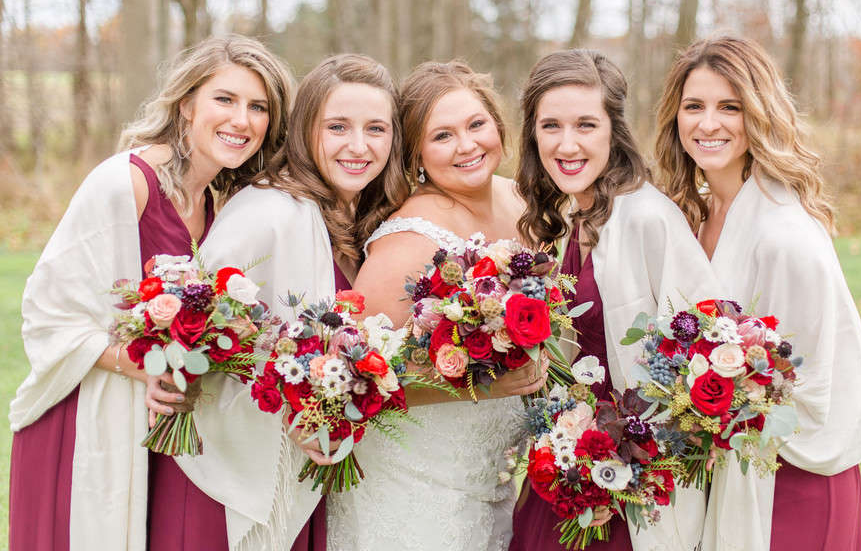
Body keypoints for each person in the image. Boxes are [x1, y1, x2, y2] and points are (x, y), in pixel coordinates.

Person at [8, 34, 294, 551]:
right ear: (187, 104)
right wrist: (141, 364)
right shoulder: (125, 183)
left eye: (259, 108)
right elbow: (47, 315)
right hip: (83, 426)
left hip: (152, 432)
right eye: (224, 99)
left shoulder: (215, 203)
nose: (242, 120)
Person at [653, 35, 861, 551]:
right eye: (694, 106)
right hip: (730, 470)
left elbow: (811, 383)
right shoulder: (693, 216)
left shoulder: (785, 236)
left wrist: (711, 413)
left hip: (795, 481)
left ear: (758, 115)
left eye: (729, 107)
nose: (707, 124)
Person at [166, 53, 407, 551]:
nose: (358, 146)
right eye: (337, 126)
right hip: (233, 485)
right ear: (303, 131)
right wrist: (290, 408)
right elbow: (197, 334)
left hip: (304, 471)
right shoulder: (269, 211)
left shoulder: (357, 216)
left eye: (376, 129)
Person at [326, 60, 549, 551]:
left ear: (497, 124)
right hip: (415, 484)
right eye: (442, 136)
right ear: (418, 155)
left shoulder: (521, 202)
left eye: (476, 124)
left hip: (491, 476)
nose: (467, 146)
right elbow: (354, 379)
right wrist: (481, 383)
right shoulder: (409, 238)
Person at [511, 49, 719, 551]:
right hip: (570, 469)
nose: (567, 143)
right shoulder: (575, 219)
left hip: (630, 485)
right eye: (550, 126)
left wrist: (636, 460)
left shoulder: (647, 217)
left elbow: (703, 348)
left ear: (613, 131)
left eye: (586, 124)